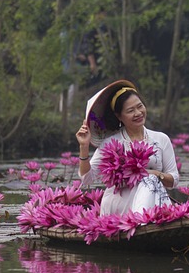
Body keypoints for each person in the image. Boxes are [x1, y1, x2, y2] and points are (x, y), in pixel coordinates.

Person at [75, 80, 179, 215]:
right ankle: (140, 221)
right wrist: (84, 146)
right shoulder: (111, 143)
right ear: (119, 116)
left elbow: (174, 180)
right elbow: (87, 178)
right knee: (150, 180)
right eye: (130, 111)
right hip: (119, 207)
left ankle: (145, 220)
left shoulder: (161, 139)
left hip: (154, 201)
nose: (138, 113)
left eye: (140, 106)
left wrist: (154, 174)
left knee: (151, 179)